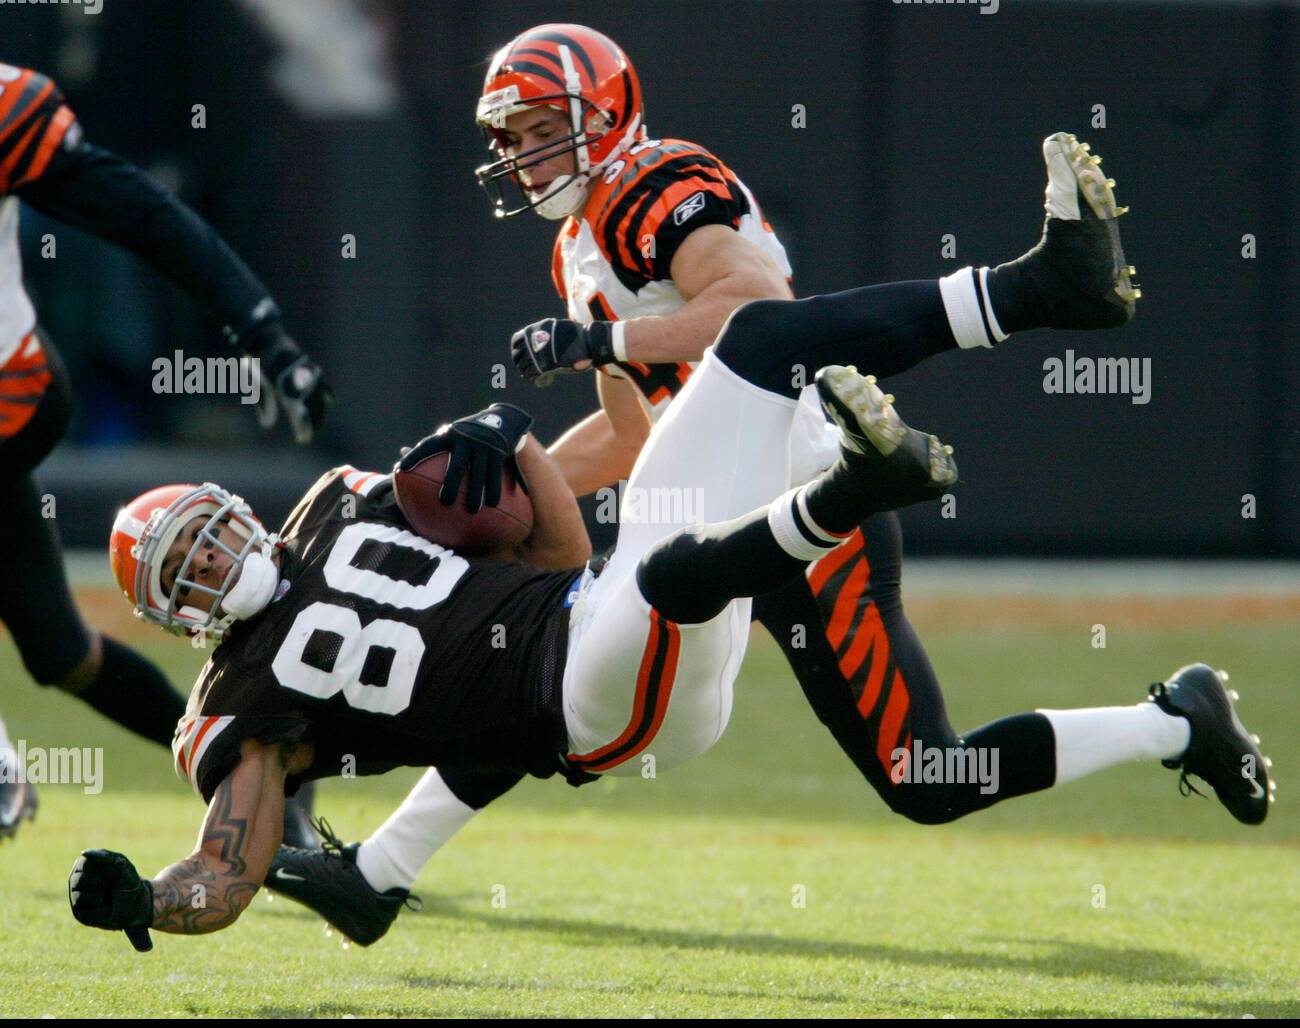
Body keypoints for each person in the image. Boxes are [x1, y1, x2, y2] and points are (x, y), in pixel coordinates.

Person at [68, 175, 1271, 948]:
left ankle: (1033, 290)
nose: (217, 554)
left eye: (210, 526)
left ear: (237, 507)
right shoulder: (235, 701)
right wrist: (149, 900)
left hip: (592, 622)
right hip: (591, 709)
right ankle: (853, 487)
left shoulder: (345, 502)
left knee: (753, 343)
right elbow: (226, 870)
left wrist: (512, 444)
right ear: (174, 614)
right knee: (660, 572)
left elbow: (555, 542)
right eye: (187, 564)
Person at [0, 62, 331, 845]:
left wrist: (262, 333)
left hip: (11, 394)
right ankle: (269, 776)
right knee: (61, 655)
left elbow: (143, 215)